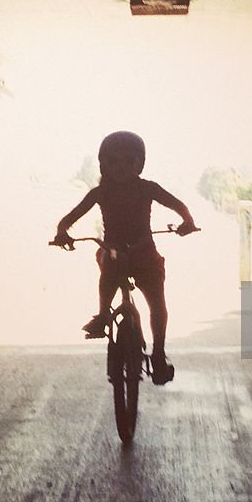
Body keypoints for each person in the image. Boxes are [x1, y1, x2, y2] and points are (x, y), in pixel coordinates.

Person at [52, 131, 197, 385]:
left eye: (128, 161)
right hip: (123, 252)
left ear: (140, 164)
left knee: (154, 300)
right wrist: (62, 231)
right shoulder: (101, 193)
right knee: (114, 267)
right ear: (103, 164)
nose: (120, 167)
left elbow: (178, 205)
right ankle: (104, 316)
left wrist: (188, 221)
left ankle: (157, 352)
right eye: (113, 161)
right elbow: (68, 219)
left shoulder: (145, 189)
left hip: (141, 252)